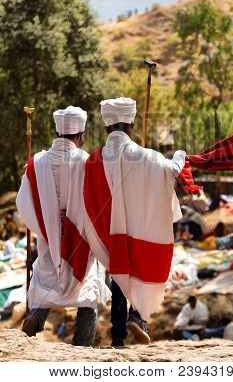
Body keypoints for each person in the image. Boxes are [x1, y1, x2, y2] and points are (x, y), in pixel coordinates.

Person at [83, 97, 186, 347]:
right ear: (131, 125)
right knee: (141, 270)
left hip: (111, 232)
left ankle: (118, 337)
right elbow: (173, 170)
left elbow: (87, 197)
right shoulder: (148, 156)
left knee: (118, 276)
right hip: (139, 229)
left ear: (107, 127)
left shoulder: (93, 160)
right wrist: (181, 155)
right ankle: (138, 315)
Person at [16, 106, 110, 346]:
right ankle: (82, 346)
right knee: (87, 291)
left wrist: (45, 229)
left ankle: (36, 317)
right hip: (81, 240)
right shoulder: (88, 161)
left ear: (58, 132)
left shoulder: (36, 162)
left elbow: (23, 203)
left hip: (49, 240)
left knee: (46, 280)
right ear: (80, 135)